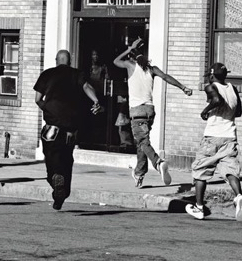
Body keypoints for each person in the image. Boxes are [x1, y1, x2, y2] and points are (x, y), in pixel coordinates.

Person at [113, 38, 192, 188]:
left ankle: (158, 163)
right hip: (149, 111)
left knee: (143, 142)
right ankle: (139, 174)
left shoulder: (130, 66)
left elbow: (115, 61)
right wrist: (183, 87)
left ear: (132, 56)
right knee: (141, 144)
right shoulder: (152, 69)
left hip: (137, 111)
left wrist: (129, 49)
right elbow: (167, 77)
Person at [34, 49, 102, 210]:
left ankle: (55, 179)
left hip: (51, 128)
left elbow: (37, 99)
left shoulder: (47, 74)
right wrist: (96, 101)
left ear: (56, 60)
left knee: (51, 158)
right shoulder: (77, 74)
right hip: (70, 129)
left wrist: (48, 109)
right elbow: (86, 87)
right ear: (70, 61)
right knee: (67, 160)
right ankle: (61, 195)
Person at [185, 63, 242, 221]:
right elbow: (238, 111)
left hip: (212, 137)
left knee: (201, 171)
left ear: (212, 76)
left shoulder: (210, 86)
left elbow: (217, 100)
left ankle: (199, 207)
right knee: (230, 170)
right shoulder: (232, 88)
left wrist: (205, 111)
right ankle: (239, 196)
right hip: (230, 136)